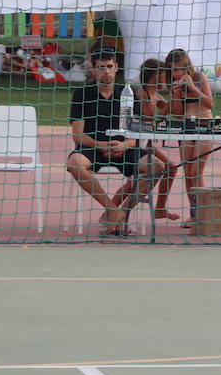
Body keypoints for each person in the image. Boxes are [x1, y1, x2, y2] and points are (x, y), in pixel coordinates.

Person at [66, 47, 163, 236]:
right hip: (93, 147)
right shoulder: (82, 94)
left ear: (117, 67)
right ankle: (112, 209)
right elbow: (77, 136)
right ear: (94, 70)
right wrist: (101, 145)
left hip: (124, 148)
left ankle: (122, 213)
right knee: (74, 164)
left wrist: (124, 145)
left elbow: (139, 133)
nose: (106, 72)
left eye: (110, 66)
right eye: (101, 67)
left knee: (157, 167)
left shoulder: (128, 93)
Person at [165, 48, 216, 228]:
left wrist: (192, 87)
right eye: (174, 69)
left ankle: (202, 214)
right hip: (186, 127)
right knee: (187, 172)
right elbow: (178, 114)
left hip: (204, 126)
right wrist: (176, 96)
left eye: (180, 68)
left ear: (187, 66)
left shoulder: (199, 77)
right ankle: (194, 213)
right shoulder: (174, 83)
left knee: (196, 171)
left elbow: (210, 102)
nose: (178, 73)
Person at [135, 58, 181, 223]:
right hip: (136, 144)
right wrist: (167, 106)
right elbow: (151, 118)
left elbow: (176, 111)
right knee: (165, 167)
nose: (166, 79)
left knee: (172, 168)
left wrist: (176, 94)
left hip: (146, 143)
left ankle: (160, 209)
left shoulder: (156, 94)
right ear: (154, 76)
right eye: (163, 75)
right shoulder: (142, 94)